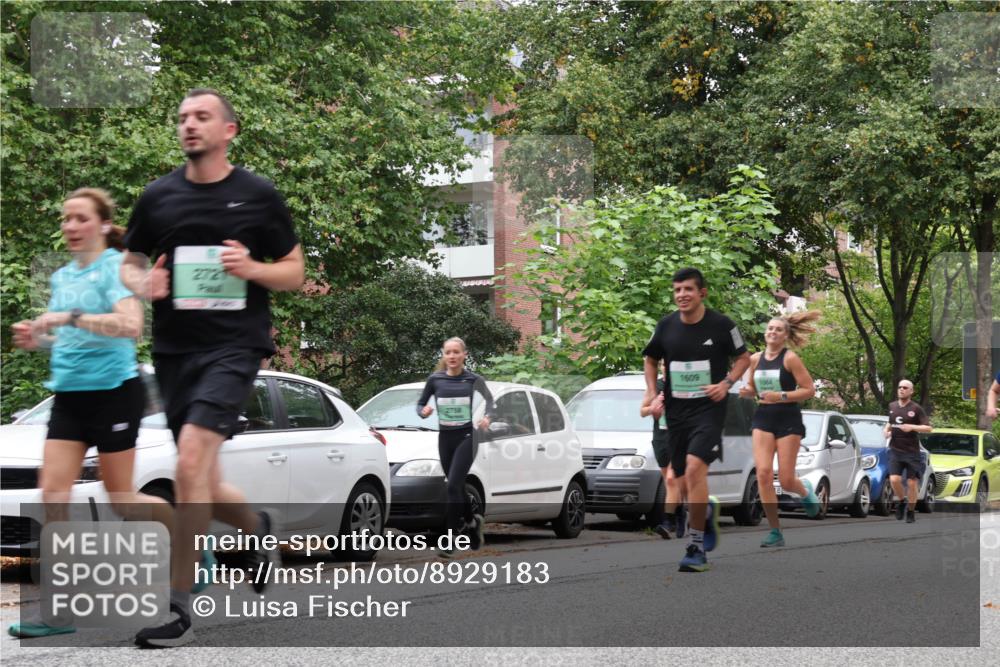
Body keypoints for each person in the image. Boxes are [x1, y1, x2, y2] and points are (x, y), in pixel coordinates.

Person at [122, 89, 305, 648]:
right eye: (181, 118)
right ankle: (256, 528)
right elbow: (129, 263)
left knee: (193, 462)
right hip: (176, 352)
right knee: (197, 475)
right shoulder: (158, 198)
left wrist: (251, 267)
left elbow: (294, 271)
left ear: (229, 129)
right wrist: (142, 284)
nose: (188, 125)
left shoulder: (257, 195)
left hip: (235, 347)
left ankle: (178, 608)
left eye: (201, 116)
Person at [8, 189, 176, 638]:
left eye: (80, 218)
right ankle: (58, 611)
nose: (70, 227)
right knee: (53, 495)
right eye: (66, 219)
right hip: (69, 396)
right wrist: (36, 335)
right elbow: (68, 333)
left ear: (103, 225)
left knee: (122, 499)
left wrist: (70, 317)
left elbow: (130, 325)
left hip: (114, 393)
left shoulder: (117, 269)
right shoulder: (63, 275)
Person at [642, 268, 750, 573]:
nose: (681, 295)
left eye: (688, 289)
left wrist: (726, 384)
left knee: (692, 469)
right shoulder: (665, 326)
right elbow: (650, 359)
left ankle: (696, 545)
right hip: (676, 413)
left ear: (702, 292)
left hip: (709, 410)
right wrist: (652, 392)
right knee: (683, 479)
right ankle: (706, 512)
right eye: (677, 290)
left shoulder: (722, 325)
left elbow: (743, 358)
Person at [739, 313, 823, 547]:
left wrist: (781, 396)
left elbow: (809, 390)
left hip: (788, 420)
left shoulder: (791, 359)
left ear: (785, 335)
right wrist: (747, 392)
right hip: (763, 417)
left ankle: (803, 490)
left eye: (778, 329)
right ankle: (775, 531)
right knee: (764, 474)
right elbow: (753, 389)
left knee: (786, 480)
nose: (772, 332)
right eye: (770, 328)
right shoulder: (755, 359)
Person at [416, 337, 496, 558]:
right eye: (448, 352)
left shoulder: (472, 379)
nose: (452, 356)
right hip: (445, 439)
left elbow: (491, 401)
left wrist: (488, 418)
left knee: (452, 486)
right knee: (457, 487)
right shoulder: (435, 379)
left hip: (467, 438)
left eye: (456, 352)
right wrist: (423, 412)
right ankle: (472, 521)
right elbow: (420, 403)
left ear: (464, 355)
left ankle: (450, 539)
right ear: (443, 355)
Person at [639, 371, 687, 539]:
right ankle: (680, 514)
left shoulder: (683, 383)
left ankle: (668, 522)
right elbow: (642, 411)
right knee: (671, 484)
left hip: (680, 437)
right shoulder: (655, 387)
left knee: (671, 480)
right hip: (660, 437)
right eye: (663, 364)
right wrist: (653, 408)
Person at [882, 379, 932, 523]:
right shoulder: (892, 406)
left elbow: (928, 428)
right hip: (895, 449)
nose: (901, 389)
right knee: (894, 479)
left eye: (905, 387)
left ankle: (911, 511)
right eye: (899, 387)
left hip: (912, 452)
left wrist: (912, 427)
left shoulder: (916, 408)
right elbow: (890, 422)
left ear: (911, 391)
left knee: (911, 483)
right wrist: (886, 430)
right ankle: (902, 502)